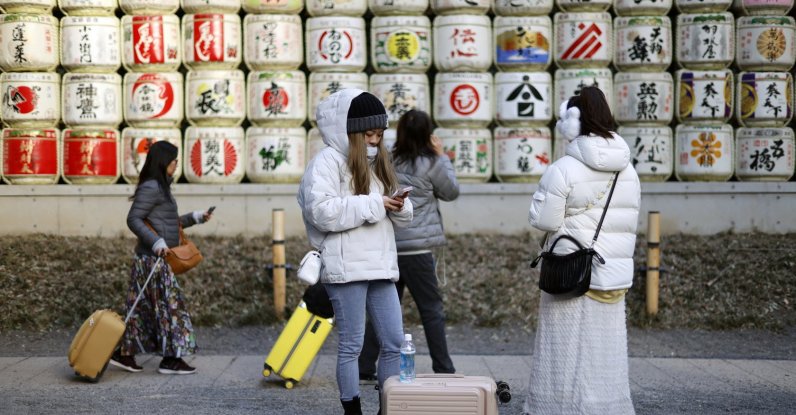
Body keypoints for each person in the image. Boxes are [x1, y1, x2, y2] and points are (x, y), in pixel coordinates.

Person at [524, 86, 640, 414]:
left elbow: (543, 220)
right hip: (611, 275)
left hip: (571, 272)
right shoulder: (628, 170)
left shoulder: (564, 168)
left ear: (573, 124)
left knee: (561, 354)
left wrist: (537, 206)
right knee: (605, 356)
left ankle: (555, 408)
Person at [298, 89, 413, 414]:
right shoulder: (326, 162)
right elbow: (321, 211)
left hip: (381, 265)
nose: (376, 140)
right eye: (369, 134)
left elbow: (399, 216)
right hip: (346, 267)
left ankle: (387, 408)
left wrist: (400, 207)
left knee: (393, 342)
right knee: (352, 344)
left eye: (379, 133)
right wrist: (376, 204)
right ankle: (352, 409)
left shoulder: (378, 161)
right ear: (350, 131)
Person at [359, 109, 459, 382]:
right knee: (431, 310)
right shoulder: (432, 163)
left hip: (390, 246)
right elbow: (451, 192)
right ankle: (444, 368)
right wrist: (442, 157)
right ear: (428, 135)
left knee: (381, 309)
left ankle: (364, 366)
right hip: (418, 251)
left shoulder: (387, 160)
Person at [111, 141, 212, 375]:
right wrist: (156, 243)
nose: (177, 164)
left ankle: (124, 354)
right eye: (175, 160)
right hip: (153, 261)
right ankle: (171, 359)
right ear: (164, 161)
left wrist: (196, 217)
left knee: (140, 310)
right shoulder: (153, 187)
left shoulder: (160, 186)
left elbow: (167, 222)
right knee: (170, 307)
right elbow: (133, 219)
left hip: (149, 260)